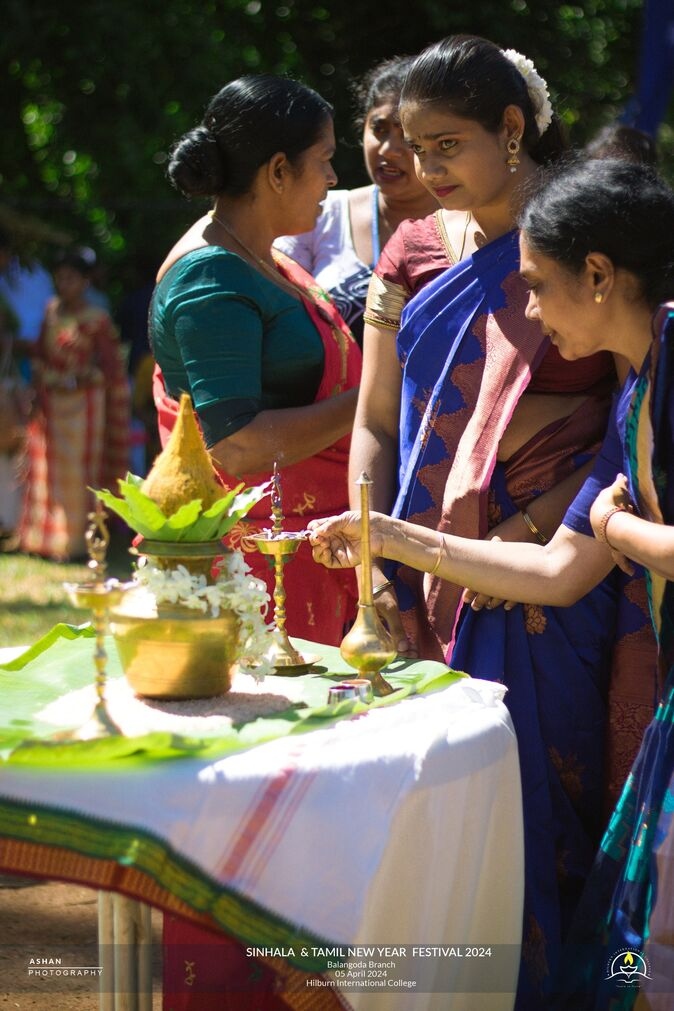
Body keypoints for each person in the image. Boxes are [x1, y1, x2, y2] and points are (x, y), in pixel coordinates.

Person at [309, 157, 674, 1010]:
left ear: (598, 274)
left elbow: (601, 542)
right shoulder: (636, 400)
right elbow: (556, 571)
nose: (532, 314)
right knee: (642, 941)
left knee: (652, 941)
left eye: (538, 287)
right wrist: (394, 538)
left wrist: (623, 529)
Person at [150, 73, 362, 1010]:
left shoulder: (263, 256)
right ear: (276, 169)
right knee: (255, 792)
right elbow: (232, 443)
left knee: (315, 787)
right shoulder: (209, 275)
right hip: (258, 568)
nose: (330, 180)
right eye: (320, 164)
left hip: (305, 553)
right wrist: (375, 407)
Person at [274, 56, 438, 344]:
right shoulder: (319, 213)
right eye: (379, 129)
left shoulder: (469, 225)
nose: (389, 149)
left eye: (409, 136)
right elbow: (274, 313)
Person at [18, 247, 130, 561]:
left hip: (86, 406)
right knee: (47, 470)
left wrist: (83, 377)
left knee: (82, 472)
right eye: (60, 278)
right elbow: (39, 356)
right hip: (53, 404)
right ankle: (47, 541)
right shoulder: (51, 311)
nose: (63, 284)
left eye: (70, 278)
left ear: (84, 282)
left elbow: (110, 368)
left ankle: (78, 545)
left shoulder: (97, 318)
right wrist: (46, 383)